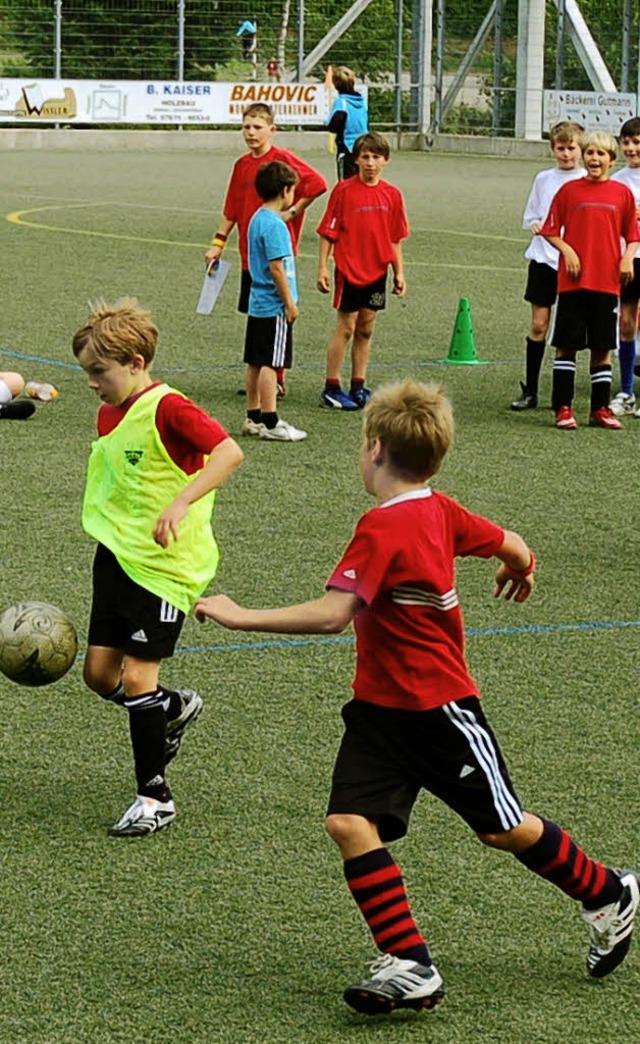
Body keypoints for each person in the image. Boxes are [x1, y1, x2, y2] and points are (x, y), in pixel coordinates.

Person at [194, 378, 639, 1015]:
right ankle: (410, 963)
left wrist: (241, 614)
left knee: (505, 830)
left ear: (374, 448)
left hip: (440, 710)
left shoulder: (384, 528)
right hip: (380, 713)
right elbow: (512, 543)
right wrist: (519, 566)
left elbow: (333, 615)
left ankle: (608, 891)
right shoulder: (440, 509)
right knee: (348, 822)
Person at [73, 298, 243, 838]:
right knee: (100, 677)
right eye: (88, 373)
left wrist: (180, 502)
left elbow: (229, 453)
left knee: (139, 676)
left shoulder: (171, 408)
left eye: (99, 372)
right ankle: (171, 707)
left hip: (166, 569)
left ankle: (155, 797)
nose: (93, 383)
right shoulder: (108, 411)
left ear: (136, 362)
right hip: (118, 560)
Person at [205, 103, 327, 398]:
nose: (250, 132)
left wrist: (295, 211)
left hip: (276, 254)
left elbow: (318, 184)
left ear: (272, 130)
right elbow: (232, 209)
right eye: (246, 126)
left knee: (280, 310)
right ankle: (260, 374)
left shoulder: (282, 161)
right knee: (257, 313)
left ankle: (277, 377)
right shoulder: (241, 165)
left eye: (257, 127)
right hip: (251, 255)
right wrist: (218, 243)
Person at [540, 130, 640, 430]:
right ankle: (563, 407)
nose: (594, 159)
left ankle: (599, 409)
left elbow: (632, 235)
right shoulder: (569, 191)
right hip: (572, 283)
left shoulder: (621, 194)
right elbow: (549, 229)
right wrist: (567, 249)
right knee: (567, 345)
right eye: (590, 153)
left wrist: (626, 257)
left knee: (602, 347)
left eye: (601, 154)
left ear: (611, 159)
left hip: (607, 281)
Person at [316, 131, 409, 411]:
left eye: (376, 157)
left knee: (366, 329)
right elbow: (327, 232)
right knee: (346, 327)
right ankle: (331, 386)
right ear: (356, 160)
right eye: (365, 157)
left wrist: (399, 272)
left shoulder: (392, 195)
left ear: (386, 161)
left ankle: (358, 385)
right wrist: (323, 266)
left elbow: (394, 238)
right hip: (348, 270)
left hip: (377, 271)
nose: (370, 162)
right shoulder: (343, 191)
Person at [511, 120, 585, 411]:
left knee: (569, 329)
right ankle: (530, 390)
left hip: (574, 262)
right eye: (560, 148)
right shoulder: (543, 179)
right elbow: (531, 215)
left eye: (571, 148)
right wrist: (536, 224)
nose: (566, 154)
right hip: (544, 259)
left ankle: (563, 394)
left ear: (580, 149)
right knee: (539, 324)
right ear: (552, 149)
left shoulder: (586, 179)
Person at [242, 160, 306, 442]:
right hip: (274, 304)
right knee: (271, 362)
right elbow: (277, 268)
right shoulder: (276, 226)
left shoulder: (257, 219)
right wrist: (289, 302)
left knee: (256, 361)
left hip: (258, 302)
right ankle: (271, 420)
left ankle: (253, 416)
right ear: (285, 190)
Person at [609, 116, 640, 416]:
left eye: (637, 143)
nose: (631, 149)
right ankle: (626, 391)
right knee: (626, 322)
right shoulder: (617, 181)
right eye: (627, 143)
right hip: (628, 260)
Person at [325, 66, 369, 181]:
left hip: (347, 148)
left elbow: (333, 126)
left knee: (345, 184)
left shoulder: (341, 102)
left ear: (336, 84)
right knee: (362, 182)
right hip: (363, 146)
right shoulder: (362, 102)